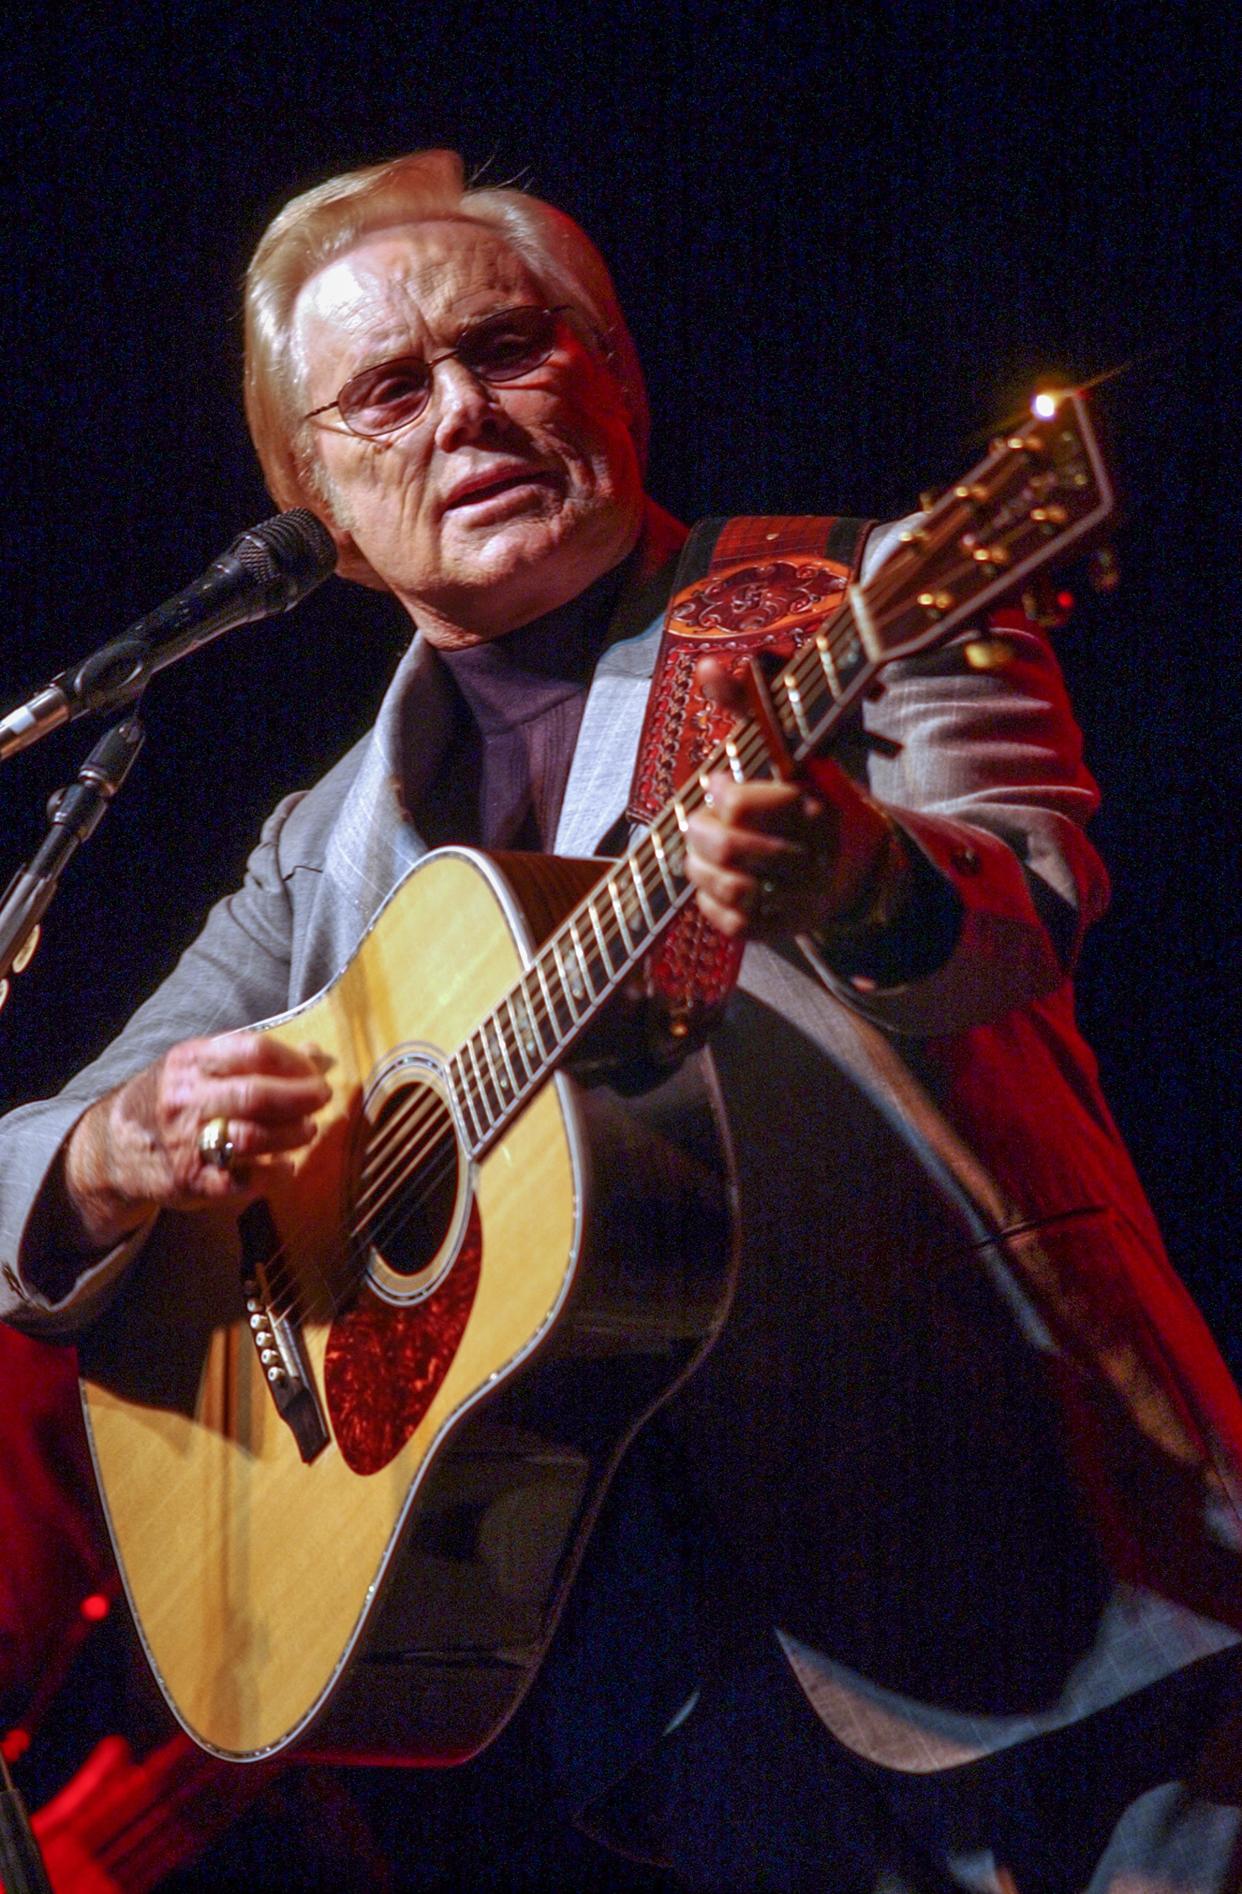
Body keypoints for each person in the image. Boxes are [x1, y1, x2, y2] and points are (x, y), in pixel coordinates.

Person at [1, 150, 1240, 1891]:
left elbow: (1021, 902)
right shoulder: (317, 847)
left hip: (1038, 1537)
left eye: (508, 348)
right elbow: (14, 1171)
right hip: (655, 1664)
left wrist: (858, 877)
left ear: (614, 378)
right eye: (389, 390)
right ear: (320, 514)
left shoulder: (862, 591)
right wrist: (122, 1149)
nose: (465, 411)